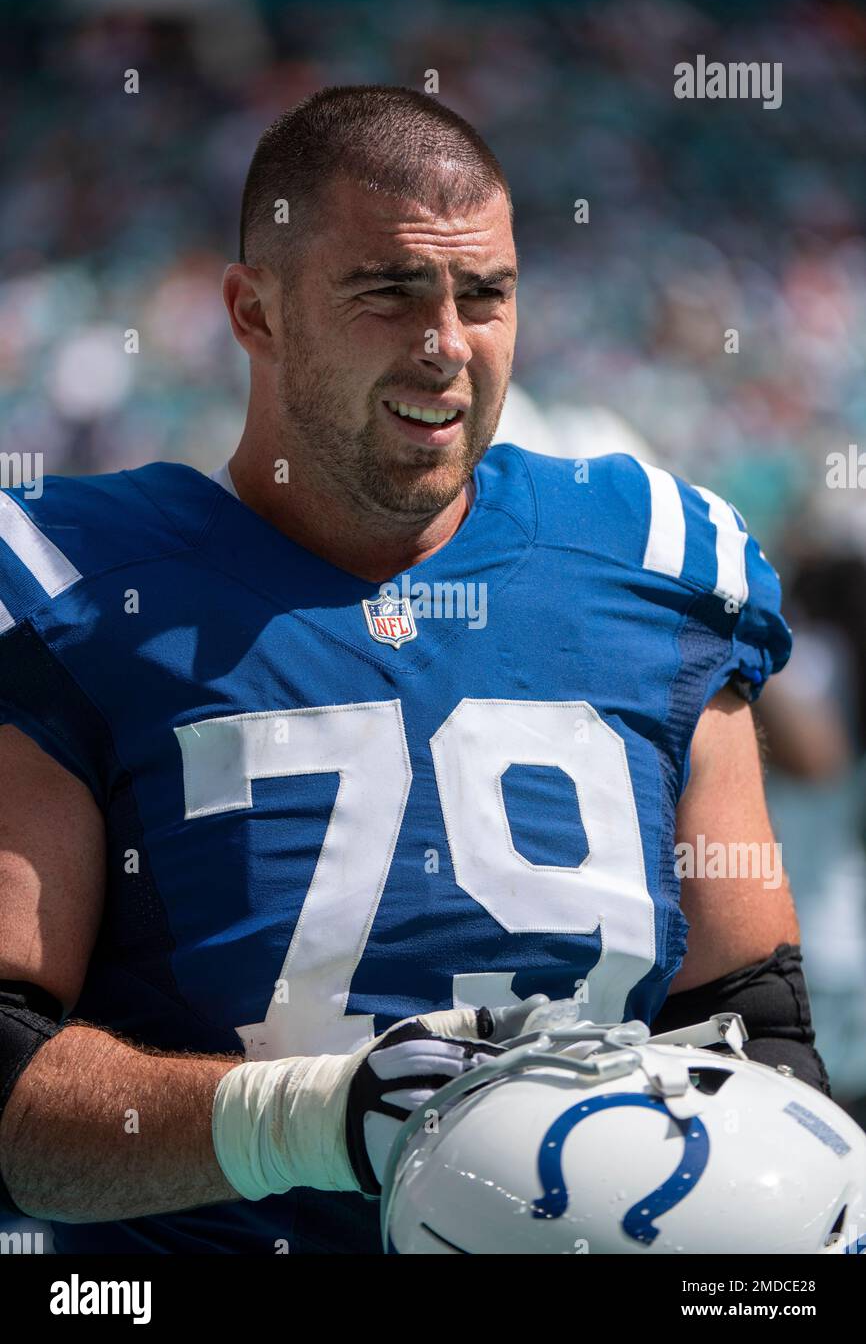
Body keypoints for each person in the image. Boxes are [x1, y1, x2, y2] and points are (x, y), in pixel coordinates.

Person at [0, 86, 824, 1255]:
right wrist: (311, 1122)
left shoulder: (650, 562)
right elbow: (9, 1094)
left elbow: (758, 1038)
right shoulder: (73, 590)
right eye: (388, 290)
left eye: (483, 294)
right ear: (256, 311)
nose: (446, 342)